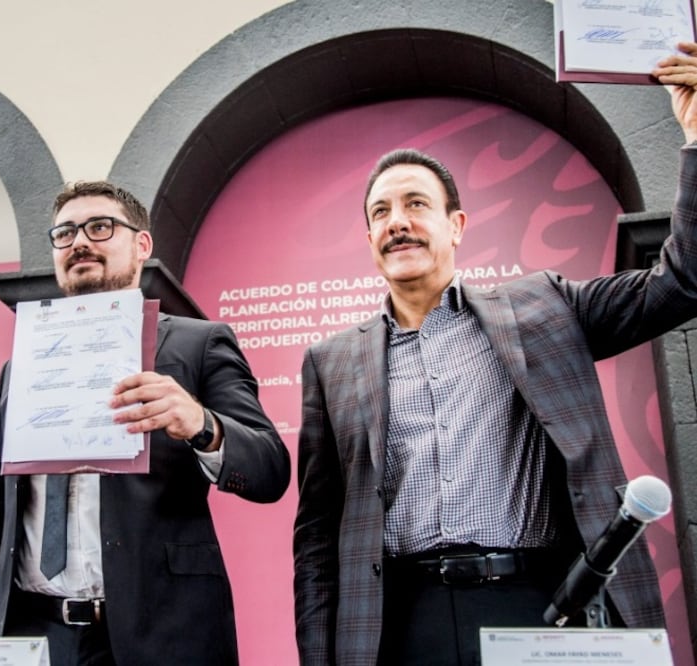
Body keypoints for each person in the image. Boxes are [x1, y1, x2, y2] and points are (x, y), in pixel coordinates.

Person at [293, 44, 697, 666]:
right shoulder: (330, 363)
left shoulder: (544, 308)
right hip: (400, 623)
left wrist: (696, 139)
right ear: (369, 238)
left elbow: (682, 282)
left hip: (536, 605)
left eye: (416, 205)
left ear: (456, 225)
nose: (397, 222)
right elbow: (318, 532)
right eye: (380, 213)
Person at [0, 180, 290, 665]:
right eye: (64, 233)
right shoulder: (21, 365)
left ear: (142, 245)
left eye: (100, 227)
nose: (80, 242)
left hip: (160, 633)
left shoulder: (199, 343)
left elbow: (270, 471)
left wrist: (201, 423)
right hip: (32, 635)